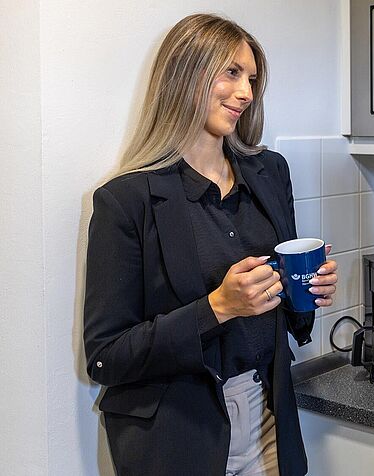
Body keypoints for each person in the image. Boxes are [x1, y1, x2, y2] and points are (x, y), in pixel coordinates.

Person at [83, 14, 338, 476]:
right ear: (185, 75)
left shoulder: (270, 172)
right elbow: (106, 356)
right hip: (177, 437)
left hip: (268, 417)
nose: (247, 93)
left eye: (251, 79)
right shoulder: (126, 200)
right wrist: (217, 308)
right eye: (231, 72)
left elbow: (286, 315)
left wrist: (306, 291)